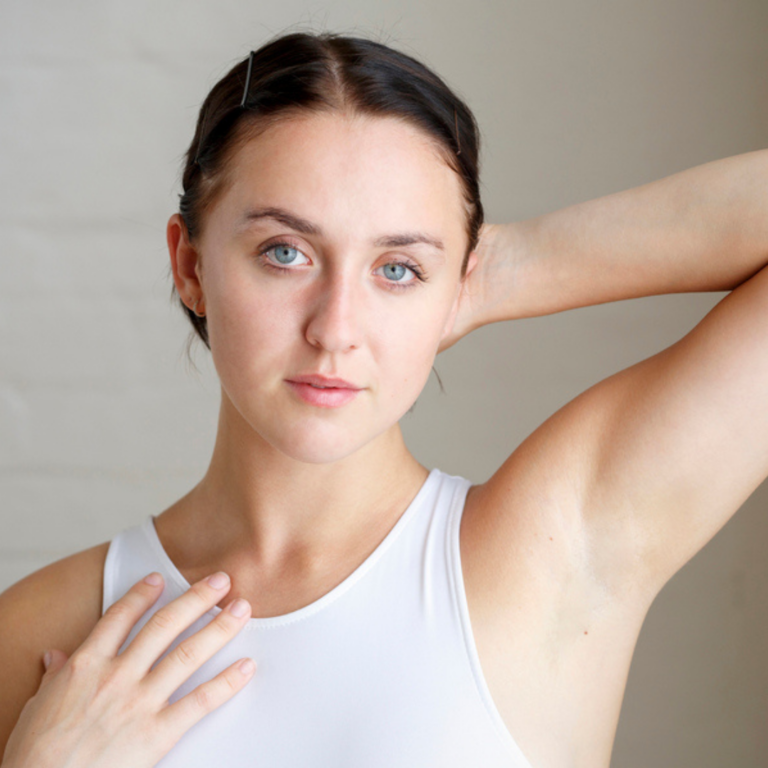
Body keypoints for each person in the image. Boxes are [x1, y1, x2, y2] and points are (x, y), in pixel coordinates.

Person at [1, 29, 767, 768]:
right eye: (285, 253)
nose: (336, 330)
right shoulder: (46, 631)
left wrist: (499, 270)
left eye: (396, 269)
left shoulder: (554, 554)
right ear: (190, 265)